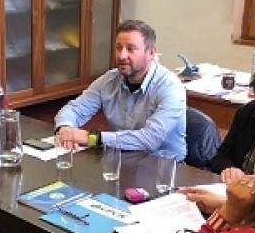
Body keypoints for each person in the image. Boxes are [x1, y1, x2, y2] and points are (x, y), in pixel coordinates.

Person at [54, 19, 187, 161]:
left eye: (130, 49)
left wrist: (92, 138)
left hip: (163, 167)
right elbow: (75, 109)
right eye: (118, 48)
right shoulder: (109, 80)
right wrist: (65, 128)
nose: (122, 55)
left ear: (151, 53)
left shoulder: (170, 87)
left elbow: (150, 139)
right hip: (121, 160)